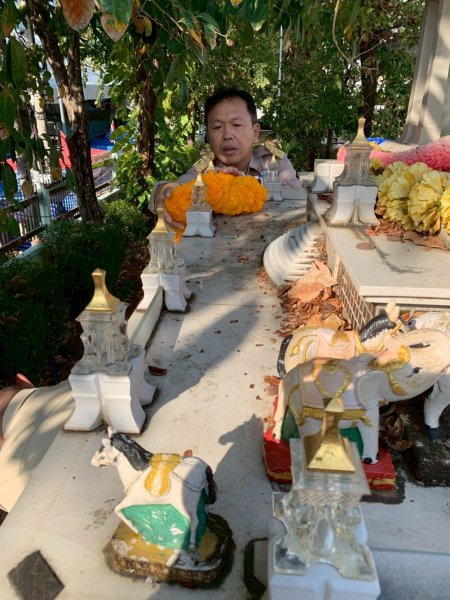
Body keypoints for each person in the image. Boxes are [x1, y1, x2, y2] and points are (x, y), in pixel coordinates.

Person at [151, 88, 301, 229]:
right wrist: (163, 192)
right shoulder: (205, 169)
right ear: (208, 136)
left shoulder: (274, 162)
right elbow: (177, 186)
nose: (227, 135)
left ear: (255, 132)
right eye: (217, 127)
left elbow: (296, 200)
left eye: (236, 125)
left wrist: (246, 187)